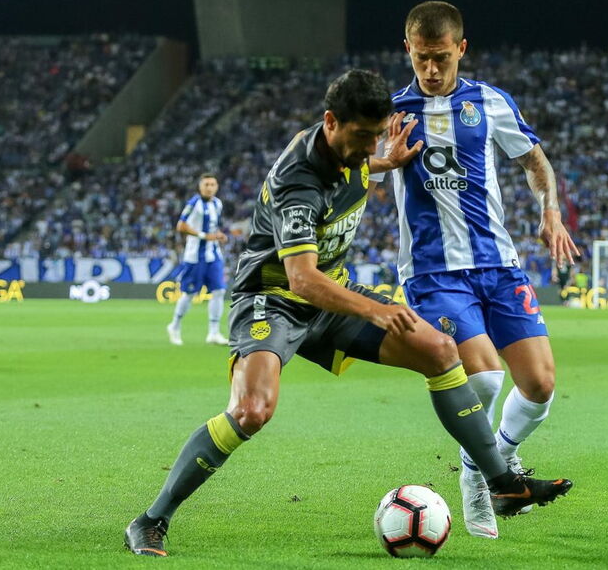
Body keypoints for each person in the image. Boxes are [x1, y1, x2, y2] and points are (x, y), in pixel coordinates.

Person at [124, 70, 572, 557]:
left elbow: (362, 175)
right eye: (361, 137)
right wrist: (376, 313)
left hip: (331, 294)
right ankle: (151, 519)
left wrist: (389, 157)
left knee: (440, 350)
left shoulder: (358, 150)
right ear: (330, 122)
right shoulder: (300, 178)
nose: (368, 149)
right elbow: (301, 279)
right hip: (273, 299)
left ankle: (502, 482)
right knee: (252, 411)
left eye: (374, 136)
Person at [384, 1, 579, 539]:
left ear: (461, 49)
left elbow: (534, 161)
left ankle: (491, 462)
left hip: (498, 264)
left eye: (440, 57)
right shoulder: (391, 112)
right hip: (433, 273)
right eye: (421, 58)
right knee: (487, 378)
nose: (430, 69)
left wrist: (550, 212)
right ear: (408, 50)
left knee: (539, 384)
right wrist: (382, 163)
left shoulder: (490, 102)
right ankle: (479, 480)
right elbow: (353, 171)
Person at [166, 173, 229, 346]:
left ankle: (214, 333)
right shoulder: (194, 204)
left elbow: (213, 227)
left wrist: (218, 235)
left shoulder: (218, 203)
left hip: (214, 255)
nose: (209, 187)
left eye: (212, 184)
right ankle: (175, 326)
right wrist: (204, 235)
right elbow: (181, 225)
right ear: (200, 187)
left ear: (217, 187)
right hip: (195, 256)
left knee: (219, 291)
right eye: (206, 184)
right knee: (189, 293)